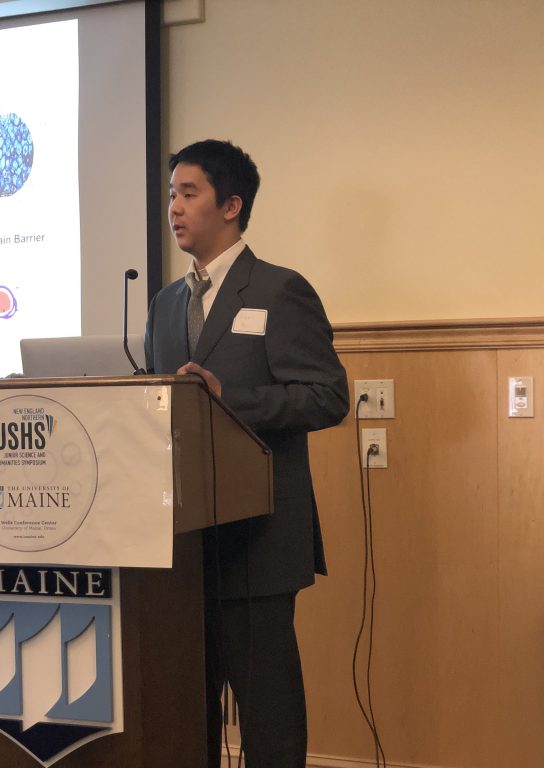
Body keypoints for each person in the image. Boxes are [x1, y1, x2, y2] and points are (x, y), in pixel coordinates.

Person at [144, 139, 349, 767]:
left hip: (258, 541)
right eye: (171, 194)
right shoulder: (166, 302)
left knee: (270, 722)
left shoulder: (280, 290)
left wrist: (229, 396)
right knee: (183, 712)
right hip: (184, 545)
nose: (174, 208)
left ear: (231, 205)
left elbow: (326, 397)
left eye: (189, 193)